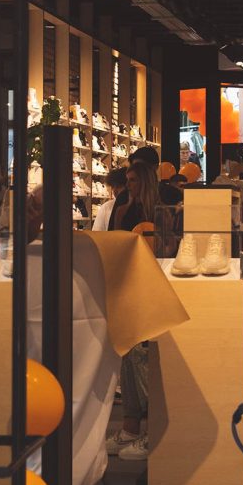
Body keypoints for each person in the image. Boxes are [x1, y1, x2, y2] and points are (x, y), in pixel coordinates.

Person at [108, 156, 162, 456]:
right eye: (126, 181)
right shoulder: (123, 207)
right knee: (129, 353)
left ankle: (151, 427)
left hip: (150, 284)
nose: (127, 186)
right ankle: (132, 427)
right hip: (129, 283)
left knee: (141, 355)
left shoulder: (160, 208)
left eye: (132, 181)